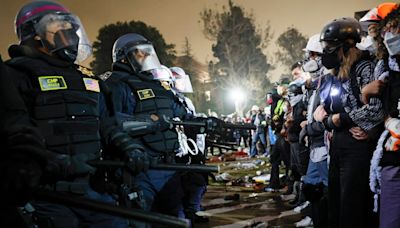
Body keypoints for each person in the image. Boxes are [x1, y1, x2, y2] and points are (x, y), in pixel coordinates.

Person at [0, 1, 137, 227]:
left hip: (92, 188)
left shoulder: (88, 79)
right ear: (33, 32)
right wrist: (52, 162)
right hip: (45, 194)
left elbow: (105, 124)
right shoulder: (14, 74)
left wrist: (129, 147)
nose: (68, 29)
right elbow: (13, 131)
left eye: (69, 23)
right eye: (57, 22)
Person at [105, 33, 190, 219]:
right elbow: (110, 123)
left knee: (176, 219)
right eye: (140, 53)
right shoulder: (115, 84)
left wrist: (206, 123)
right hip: (140, 169)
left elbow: (179, 113)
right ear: (124, 57)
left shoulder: (157, 85)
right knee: (141, 220)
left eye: (147, 53)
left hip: (169, 166)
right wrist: (150, 122)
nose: (146, 57)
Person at [314, 17, 384, 228]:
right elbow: (327, 114)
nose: (328, 52)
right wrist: (331, 121)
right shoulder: (337, 73)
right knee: (335, 202)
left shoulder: (364, 68)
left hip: (357, 147)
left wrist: (339, 119)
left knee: (352, 206)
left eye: (331, 47)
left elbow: (374, 110)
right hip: (338, 143)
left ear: (347, 45)